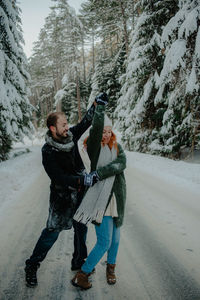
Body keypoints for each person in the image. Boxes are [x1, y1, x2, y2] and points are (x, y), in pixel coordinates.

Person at [24, 102, 100, 287]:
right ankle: (32, 266)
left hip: (80, 194)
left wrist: (95, 106)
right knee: (51, 233)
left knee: (81, 229)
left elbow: (84, 124)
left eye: (67, 123)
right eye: (63, 124)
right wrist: (82, 180)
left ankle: (78, 260)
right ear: (53, 128)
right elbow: (58, 176)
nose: (67, 127)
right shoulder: (48, 150)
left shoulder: (70, 137)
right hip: (62, 198)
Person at [71, 94, 126, 290]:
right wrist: (100, 108)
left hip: (116, 200)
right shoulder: (93, 147)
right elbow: (96, 130)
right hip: (100, 201)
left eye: (109, 131)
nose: (106, 135)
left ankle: (110, 269)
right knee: (104, 241)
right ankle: (83, 273)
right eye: (103, 131)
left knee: (116, 240)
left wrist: (99, 173)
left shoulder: (117, 147)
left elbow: (121, 164)